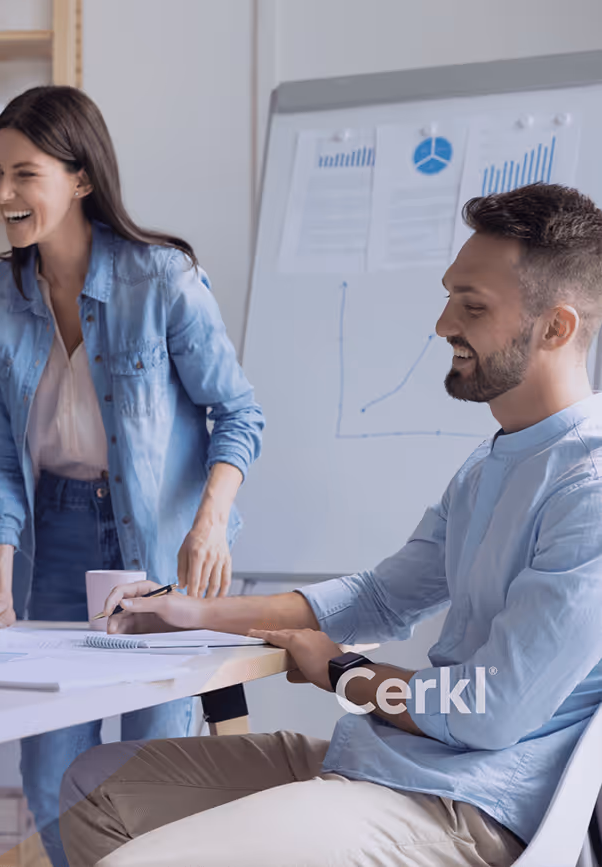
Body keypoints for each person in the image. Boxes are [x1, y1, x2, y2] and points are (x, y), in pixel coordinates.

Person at [60, 183, 602, 867]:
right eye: (448, 297)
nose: (442, 325)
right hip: (389, 760)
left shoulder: (588, 490)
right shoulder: (491, 463)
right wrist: (191, 612)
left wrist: (347, 672)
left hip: (467, 806)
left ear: (555, 328)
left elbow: (490, 710)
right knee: (96, 786)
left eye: (472, 306)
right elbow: (382, 596)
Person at [0, 85, 265, 867]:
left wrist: (210, 523)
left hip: (157, 545)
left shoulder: (161, 278)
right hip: (54, 539)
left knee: (153, 769)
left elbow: (238, 412)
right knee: (50, 770)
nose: (3, 193)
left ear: (81, 178)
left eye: (24, 174)